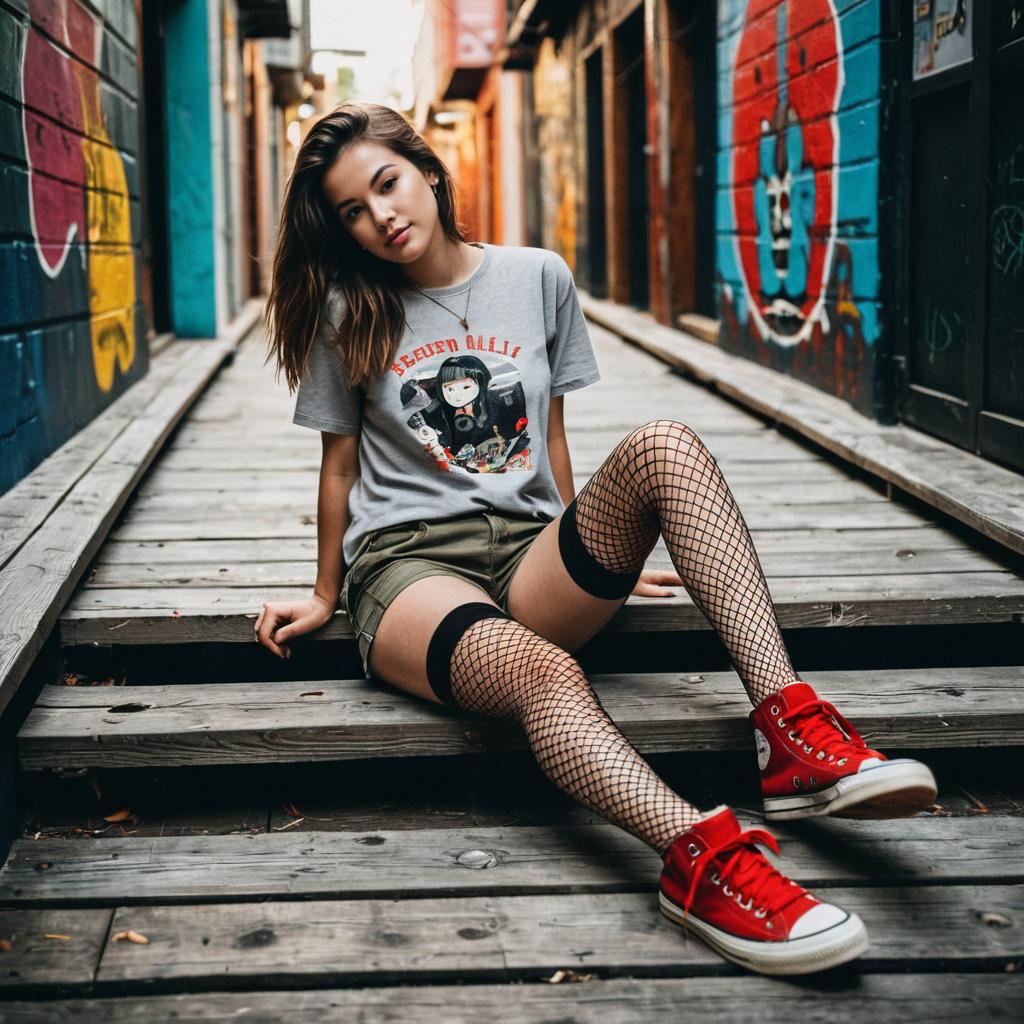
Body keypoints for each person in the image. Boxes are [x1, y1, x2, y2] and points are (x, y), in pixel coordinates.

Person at [255, 102, 937, 977]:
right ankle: (702, 858)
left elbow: (554, 435)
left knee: (666, 444)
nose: (381, 215)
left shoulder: (538, 277)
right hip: (411, 567)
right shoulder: (350, 308)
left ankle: (792, 733)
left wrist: (589, 551)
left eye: (386, 183)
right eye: (353, 209)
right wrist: (324, 593)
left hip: (530, 549)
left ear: (426, 169)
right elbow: (339, 469)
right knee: (546, 672)